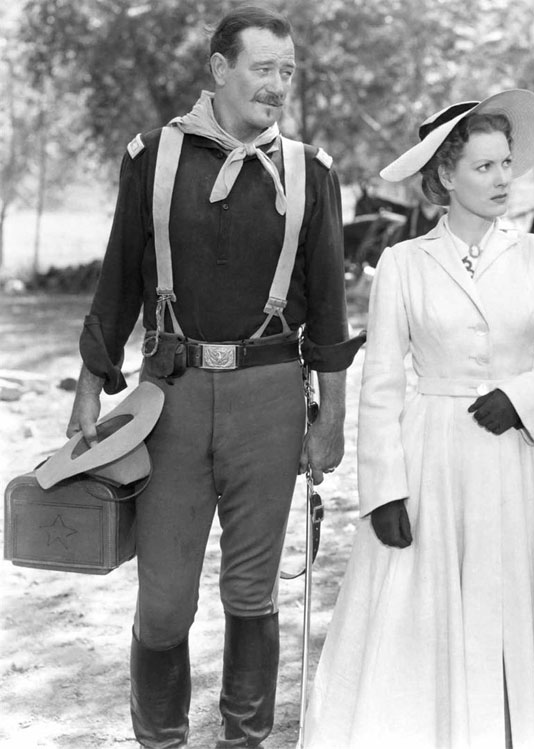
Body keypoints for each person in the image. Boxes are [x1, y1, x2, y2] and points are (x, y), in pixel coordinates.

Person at [302, 89, 534, 748]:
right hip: (434, 459)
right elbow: (380, 385)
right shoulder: (403, 265)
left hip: (525, 460)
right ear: (444, 178)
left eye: (505, 164)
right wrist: (384, 491)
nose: (501, 180)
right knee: (425, 618)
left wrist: (521, 397)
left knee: (526, 607)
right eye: (484, 167)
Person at [64, 7, 357, 747]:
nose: (278, 86)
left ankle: (244, 737)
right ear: (220, 69)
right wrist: (90, 386)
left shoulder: (311, 172)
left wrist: (332, 420)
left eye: (288, 73)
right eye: (264, 69)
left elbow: (328, 307)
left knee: (252, 591)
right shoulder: (153, 156)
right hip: (171, 398)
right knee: (163, 598)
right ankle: (160, 737)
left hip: (271, 399)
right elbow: (117, 282)